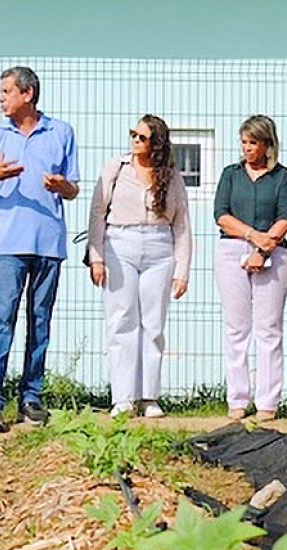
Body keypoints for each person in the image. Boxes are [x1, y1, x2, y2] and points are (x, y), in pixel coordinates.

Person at [0, 66, 79, 432]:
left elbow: (73, 190)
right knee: (2, 319)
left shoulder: (61, 132)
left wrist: (62, 185)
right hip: (9, 243)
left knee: (40, 322)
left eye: (6, 92)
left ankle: (31, 397)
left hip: (49, 242)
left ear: (28, 94)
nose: (1, 98)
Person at [87, 115, 192, 418]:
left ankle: (149, 396)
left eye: (142, 137)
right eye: (133, 134)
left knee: (153, 323)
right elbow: (98, 211)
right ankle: (123, 397)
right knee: (121, 320)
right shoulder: (116, 169)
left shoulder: (171, 176)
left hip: (160, 247)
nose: (135, 141)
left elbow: (182, 223)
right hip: (120, 243)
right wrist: (96, 257)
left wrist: (182, 270)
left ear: (156, 143)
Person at [213, 115, 287, 423]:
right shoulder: (231, 175)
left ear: (267, 144)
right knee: (236, 328)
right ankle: (237, 398)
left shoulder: (281, 177)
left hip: (273, 253)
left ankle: (268, 402)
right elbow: (221, 214)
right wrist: (250, 235)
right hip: (232, 249)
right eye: (244, 142)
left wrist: (263, 248)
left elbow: (286, 216)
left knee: (268, 329)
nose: (247, 148)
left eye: (253, 143)